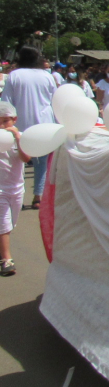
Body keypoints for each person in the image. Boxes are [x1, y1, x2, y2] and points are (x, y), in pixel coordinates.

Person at [0, 46, 57, 210]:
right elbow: (55, 100)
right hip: (45, 125)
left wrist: (5, 123)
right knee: (42, 163)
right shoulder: (47, 76)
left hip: (20, 127)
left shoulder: (14, 76)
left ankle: (14, 194)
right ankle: (38, 197)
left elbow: (7, 103)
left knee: (17, 163)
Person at [0, 102, 31, 276]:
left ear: (14, 119)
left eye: (6, 121)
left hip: (17, 187)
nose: (3, 125)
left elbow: (26, 158)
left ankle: (2, 250)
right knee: (3, 223)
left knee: (11, 224)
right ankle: (7, 260)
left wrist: (18, 138)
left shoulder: (22, 136)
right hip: (0, 189)